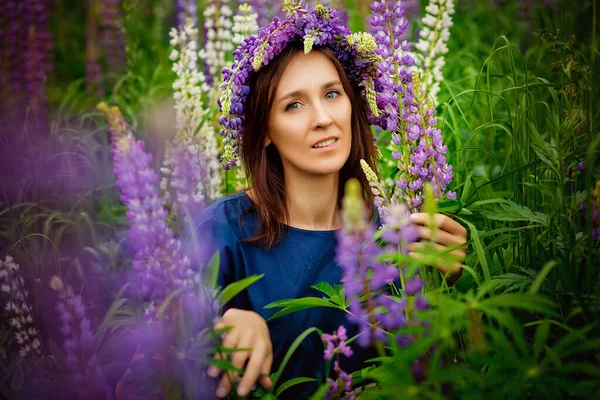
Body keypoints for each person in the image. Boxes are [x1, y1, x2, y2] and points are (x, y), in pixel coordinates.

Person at [194, 33, 468, 400]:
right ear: (263, 133)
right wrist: (215, 327)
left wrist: (449, 286)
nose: (323, 118)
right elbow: (138, 373)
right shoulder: (222, 230)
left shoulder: (393, 233)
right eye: (294, 105)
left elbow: (440, 378)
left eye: (332, 94)